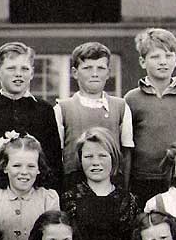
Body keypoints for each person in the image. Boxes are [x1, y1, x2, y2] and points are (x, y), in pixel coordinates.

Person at [0, 42, 62, 203]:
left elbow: (54, 162)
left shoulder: (44, 111)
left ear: (32, 73)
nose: (18, 74)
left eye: (24, 69)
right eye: (11, 68)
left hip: (38, 197)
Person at [61, 127, 140, 240]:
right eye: (88, 157)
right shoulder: (68, 199)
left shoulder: (128, 201)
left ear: (113, 159)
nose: (95, 163)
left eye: (102, 156)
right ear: (80, 160)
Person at [123, 27, 176, 208]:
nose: (163, 62)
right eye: (155, 57)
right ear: (143, 61)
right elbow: (126, 144)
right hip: (142, 178)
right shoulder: (132, 98)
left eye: (168, 56)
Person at [55, 42, 133, 189]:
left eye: (101, 68)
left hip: (111, 185)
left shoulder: (121, 107)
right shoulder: (62, 108)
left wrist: (125, 188)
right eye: (87, 68)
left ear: (109, 73)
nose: (95, 73)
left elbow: (127, 153)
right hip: (73, 185)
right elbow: (57, 155)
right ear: (75, 72)